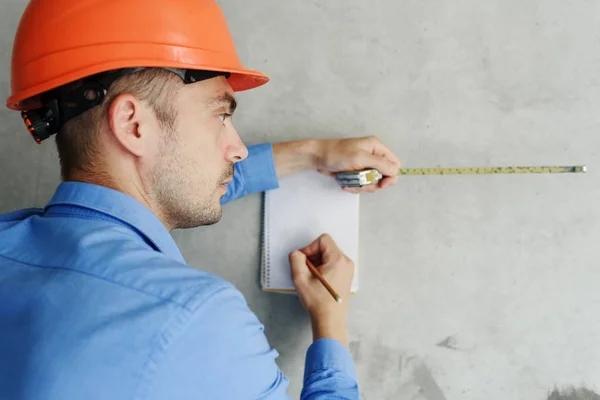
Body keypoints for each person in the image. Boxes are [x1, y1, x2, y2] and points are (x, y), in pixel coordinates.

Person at [0, 1, 401, 399]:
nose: (238, 148)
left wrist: (312, 154)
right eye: (220, 116)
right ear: (132, 124)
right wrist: (331, 321)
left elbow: (168, 185)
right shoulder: (196, 317)